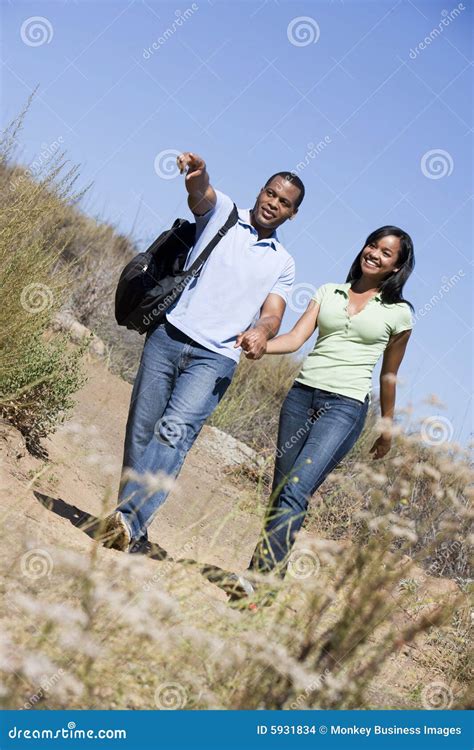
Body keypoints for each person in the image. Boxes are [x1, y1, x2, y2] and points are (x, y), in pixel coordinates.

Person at [102, 152, 305, 552]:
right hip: (168, 335)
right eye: (270, 193)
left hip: (216, 359)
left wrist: (261, 333)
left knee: (172, 433)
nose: (272, 203)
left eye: (283, 202)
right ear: (261, 191)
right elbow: (201, 193)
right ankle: (129, 525)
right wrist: (198, 173)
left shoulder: (284, 263)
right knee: (142, 430)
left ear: (292, 214)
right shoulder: (225, 214)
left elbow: (273, 315)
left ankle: (128, 521)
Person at [235, 225, 414, 594]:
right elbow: (296, 339)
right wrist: (260, 343)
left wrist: (386, 427)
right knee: (282, 490)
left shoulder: (399, 314)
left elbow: (390, 374)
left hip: (344, 407)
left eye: (386, 252)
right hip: (302, 396)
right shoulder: (328, 292)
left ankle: (258, 580)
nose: (374, 254)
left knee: (297, 489)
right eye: (372, 245)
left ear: (396, 267)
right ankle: (267, 580)